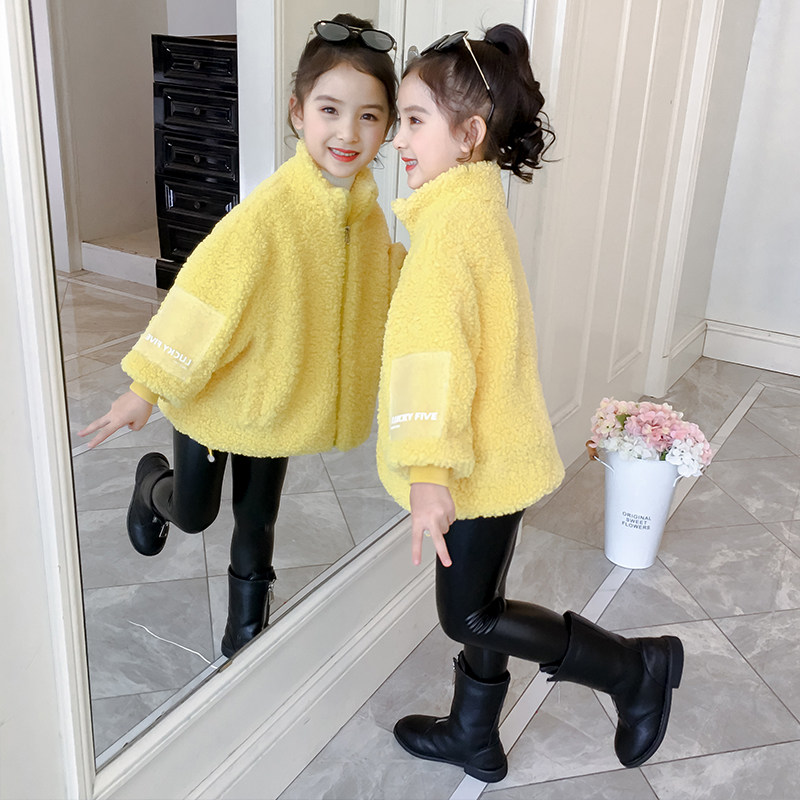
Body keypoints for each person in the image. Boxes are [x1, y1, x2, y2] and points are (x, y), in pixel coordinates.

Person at [377, 24, 683, 782]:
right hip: (497, 449)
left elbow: (434, 357)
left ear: (469, 135)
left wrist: (427, 469)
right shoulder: (475, 207)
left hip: (471, 464)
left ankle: (631, 669)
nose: (397, 139)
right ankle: (474, 734)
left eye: (413, 120)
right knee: (484, 598)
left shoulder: (451, 229)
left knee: (469, 613)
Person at [80, 13, 404, 658]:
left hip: (277, 398)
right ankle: (151, 486)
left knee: (258, 517)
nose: (348, 132)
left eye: (369, 116)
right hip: (216, 394)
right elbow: (202, 298)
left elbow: (377, 290)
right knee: (196, 513)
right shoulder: (267, 216)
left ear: (389, 127)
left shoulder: (367, 220)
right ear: (297, 112)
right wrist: (145, 389)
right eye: (330, 110)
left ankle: (246, 630)